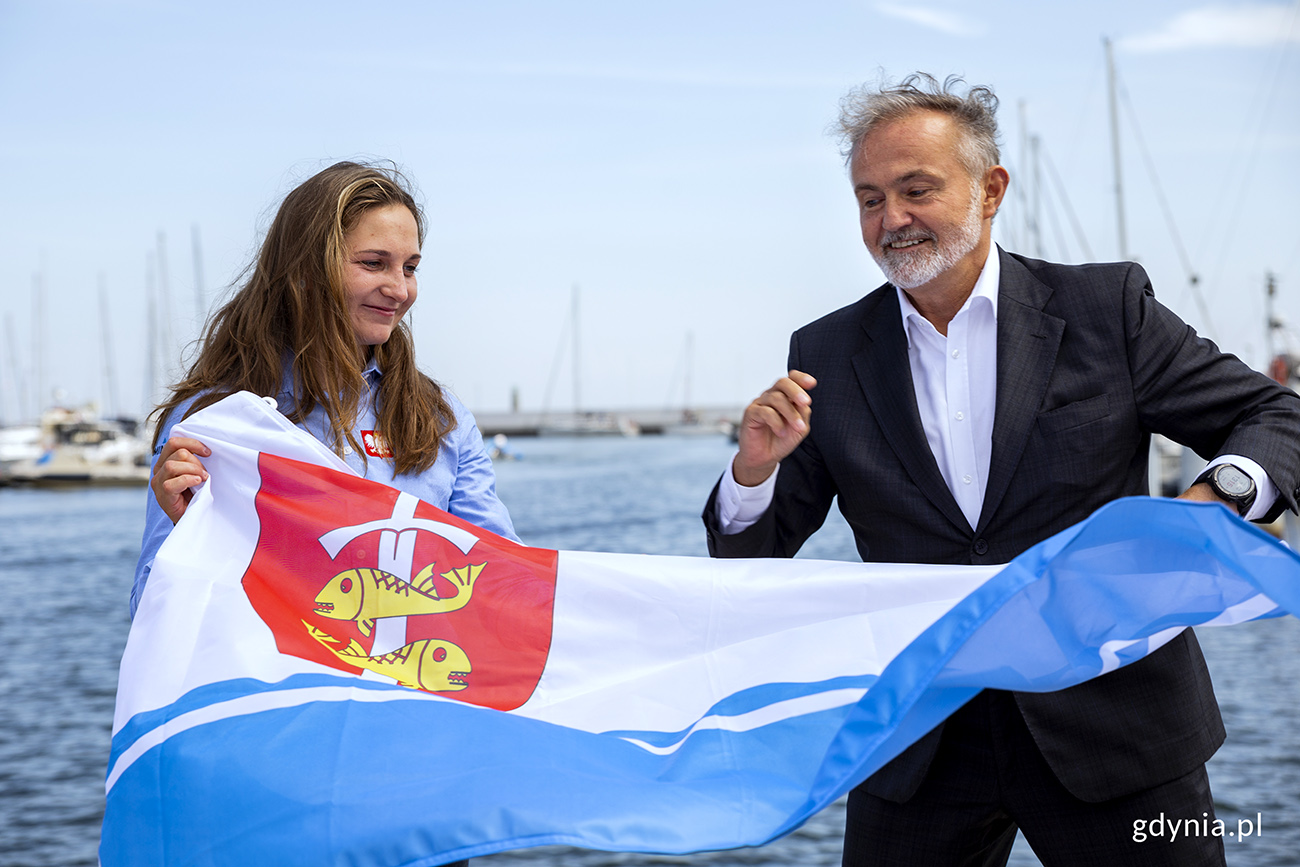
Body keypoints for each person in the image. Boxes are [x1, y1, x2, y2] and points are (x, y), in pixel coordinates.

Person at [703, 74, 1300, 867]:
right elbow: (753, 559)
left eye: (917, 189)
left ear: (991, 189)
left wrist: (1211, 499)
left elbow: (1275, 416)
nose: (892, 220)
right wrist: (751, 474)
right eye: (870, 198)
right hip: (917, 742)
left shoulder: (1106, 309)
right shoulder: (825, 353)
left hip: (1118, 734)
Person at [134, 161, 512, 867]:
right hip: (274, 774)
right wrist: (188, 531)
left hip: (414, 775)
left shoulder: (441, 417)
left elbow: (505, 583)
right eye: (374, 263)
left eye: (410, 266)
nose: (399, 289)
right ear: (307, 268)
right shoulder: (218, 421)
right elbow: (156, 620)